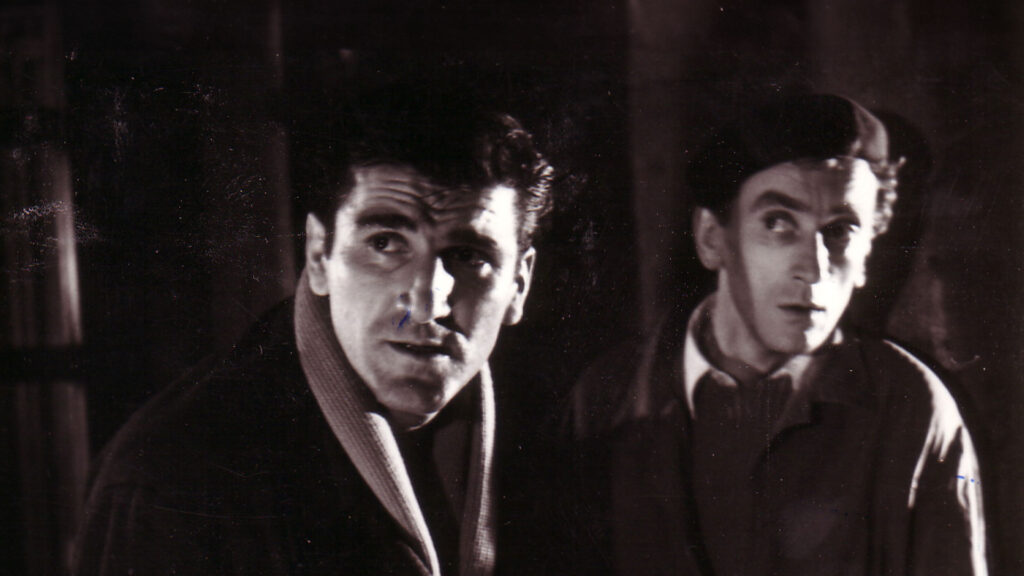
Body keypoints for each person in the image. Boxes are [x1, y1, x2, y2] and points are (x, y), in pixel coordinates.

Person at [73, 91, 553, 575]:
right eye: (385, 243)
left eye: (469, 257)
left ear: (519, 285)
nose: (427, 304)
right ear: (320, 256)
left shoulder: (561, 440)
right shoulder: (172, 477)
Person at [563, 94, 987, 576]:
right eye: (779, 223)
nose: (814, 269)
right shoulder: (605, 398)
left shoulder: (909, 407)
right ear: (712, 239)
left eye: (841, 231)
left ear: (867, 254)